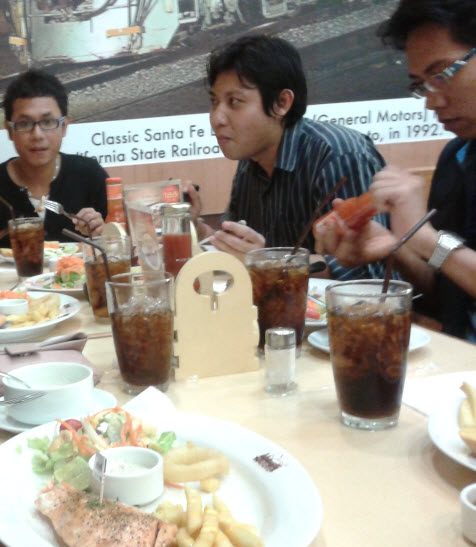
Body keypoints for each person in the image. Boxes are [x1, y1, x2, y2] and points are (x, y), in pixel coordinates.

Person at [315, 0, 476, 342]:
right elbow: (448, 300)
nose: (431, 101)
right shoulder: (458, 157)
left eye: (443, 74)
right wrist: (397, 248)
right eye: (421, 85)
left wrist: (428, 241)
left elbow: (439, 249)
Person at [188, 35, 388, 280]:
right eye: (214, 101)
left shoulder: (339, 154)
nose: (217, 118)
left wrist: (268, 263)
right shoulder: (251, 158)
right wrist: (195, 228)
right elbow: (242, 249)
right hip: (281, 302)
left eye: (235, 102)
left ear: (281, 103)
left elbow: (365, 269)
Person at [0, 69, 108, 263]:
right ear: (9, 131)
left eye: (48, 122)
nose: (37, 135)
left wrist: (103, 231)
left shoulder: (90, 175)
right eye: (24, 124)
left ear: (64, 126)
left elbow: (120, 244)